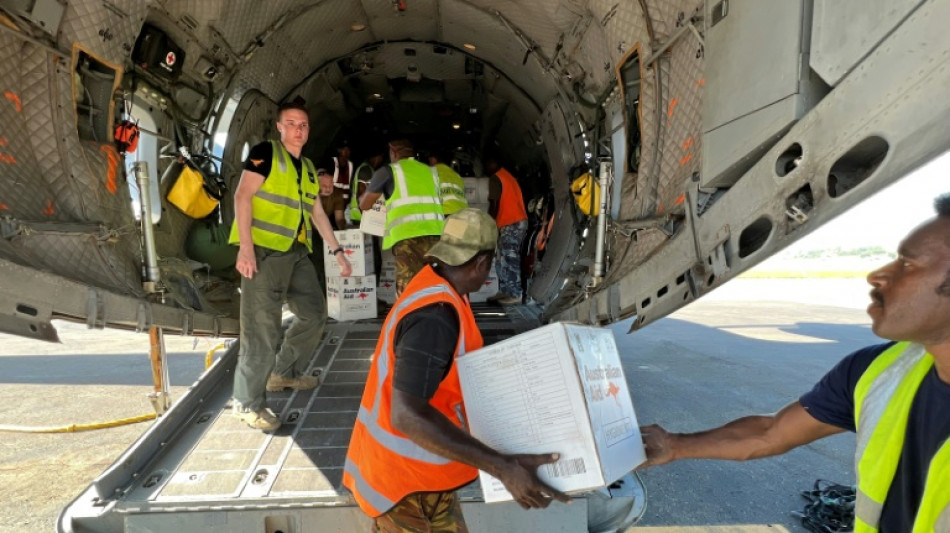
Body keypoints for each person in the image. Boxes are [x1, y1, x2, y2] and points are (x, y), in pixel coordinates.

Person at [639, 193, 950, 533]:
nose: (876, 276)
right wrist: (674, 445)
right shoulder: (877, 372)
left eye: (908, 264)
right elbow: (771, 432)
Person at [344, 208, 570, 531]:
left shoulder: (440, 284)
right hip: (403, 487)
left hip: (422, 479)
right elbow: (406, 415)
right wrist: (502, 467)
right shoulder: (435, 316)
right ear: (482, 264)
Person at [229, 102, 353, 432]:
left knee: (315, 313)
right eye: (292, 123)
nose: (299, 129)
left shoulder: (309, 168)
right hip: (264, 253)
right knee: (261, 332)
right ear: (280, 128)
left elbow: (317, 213)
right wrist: (246, 247)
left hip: (296, 252)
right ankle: (247, 403)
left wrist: (338, 251)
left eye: (304, 124)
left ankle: (283, 372)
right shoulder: (264, 153)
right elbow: (243, 196)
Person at [360, 139, 444, 295]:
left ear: (393, 152)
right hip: (436, 235)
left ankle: (412, 318)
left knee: (409, 288)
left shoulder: (388, 172)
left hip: (408, 238)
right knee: (433, 283)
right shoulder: (431, 172)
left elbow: (365, 204)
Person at [486, 157, 528, 305]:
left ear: (494, 163)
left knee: (509, 258)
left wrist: (488, 223)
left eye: (487, 163)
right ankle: (505, 291)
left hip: (511, 222)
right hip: (514, 221)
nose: (486, 167)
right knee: (502, 258)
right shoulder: (507, 176)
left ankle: (515, 294)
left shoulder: (496, 178)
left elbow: (494, 203)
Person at [349, 150, 384, 227]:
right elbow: (361, 194)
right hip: (360, 217)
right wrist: (367, 218)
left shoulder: (368, 169)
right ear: (378, 157)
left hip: (359, 216)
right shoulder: (366, 170)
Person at [429, 149, 468, 216]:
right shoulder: (456, 175)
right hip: (462, 214)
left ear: (433, 159)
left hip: (444, 213)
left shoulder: (431, 172)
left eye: (429, 160)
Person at [331, 138, 354, 209]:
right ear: (339, 150)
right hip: (331, 203)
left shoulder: (351, 165)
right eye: (344, 149)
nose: (347, 152)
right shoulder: (332, 162)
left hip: (344, 205)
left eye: (348, 150)